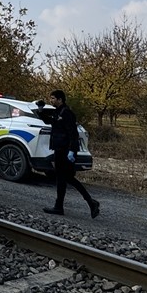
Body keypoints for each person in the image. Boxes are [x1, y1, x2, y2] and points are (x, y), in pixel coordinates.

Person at [42, 90, 99, 219]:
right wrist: (40, 111)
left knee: (64, 178)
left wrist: (72, 151)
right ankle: (88, 203)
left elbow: (73, 133)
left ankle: (88, 203)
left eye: (53, 98)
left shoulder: (66, 113)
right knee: (64, 179)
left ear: (60, 99)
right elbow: (50, 122)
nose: (51, 100)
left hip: (65, 151)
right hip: (59, 150)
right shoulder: (58, 112)